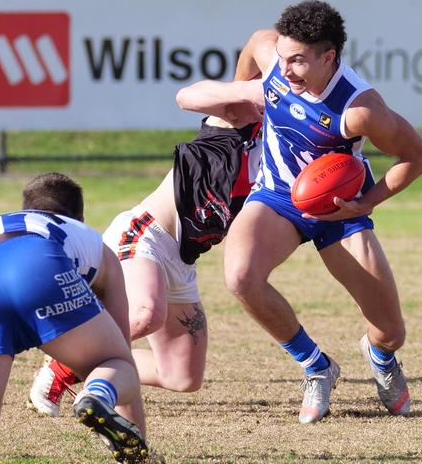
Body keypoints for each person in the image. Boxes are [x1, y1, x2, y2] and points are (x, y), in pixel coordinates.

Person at [206, 0, 422, 423]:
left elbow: (418, 157)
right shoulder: (270, 54)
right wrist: (241, 113)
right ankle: (316, 366)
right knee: (240, 277)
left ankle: (381, 358)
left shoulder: (359, 108)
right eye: (284, 57)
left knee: (392, 331)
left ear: (328, 57)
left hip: (338, 211)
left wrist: (366, 202)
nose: (285, 69)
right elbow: (255, 47)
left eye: (298, 61)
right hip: (276, 195)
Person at [28, 83, 263, 422]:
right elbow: (188, 96)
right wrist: (255, 88)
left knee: (182, 376)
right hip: (146, 233)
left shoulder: (290, 149)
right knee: (146, 314)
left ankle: (90, 365)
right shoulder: (242, 114)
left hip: (182, 259)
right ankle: (61, 365)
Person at [0, 173, 159, 464]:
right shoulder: (86, 237)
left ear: (26, 207)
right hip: (39, 261)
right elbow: (121, 352)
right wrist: (137, 450)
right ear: (79, 217)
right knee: (118, 364)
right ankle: (96, 395)